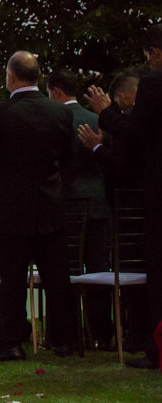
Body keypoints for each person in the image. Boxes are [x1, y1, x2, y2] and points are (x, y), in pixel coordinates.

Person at [0, 51, 78, 361]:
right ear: (38, 76)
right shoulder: (60, 113)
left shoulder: (0, 114)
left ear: (11, 77)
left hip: (11, 209)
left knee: (12, 279)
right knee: (56, 278)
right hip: (50, 205)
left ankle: (11, 343)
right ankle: (64, 341)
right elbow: (68, 160)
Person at [85, 23, 162, 369]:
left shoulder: (153, 84)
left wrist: (106, 113)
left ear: (155, 52)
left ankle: (157, 348)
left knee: (158, 271)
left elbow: (136, 132)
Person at [48, 68, 113, 349]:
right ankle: (103, 333)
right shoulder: (97, 118)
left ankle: (70, 335)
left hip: (68, 205)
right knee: (99, 269)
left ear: (56, 92)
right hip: (99, 203)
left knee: (68, 272)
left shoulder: (56, 121)